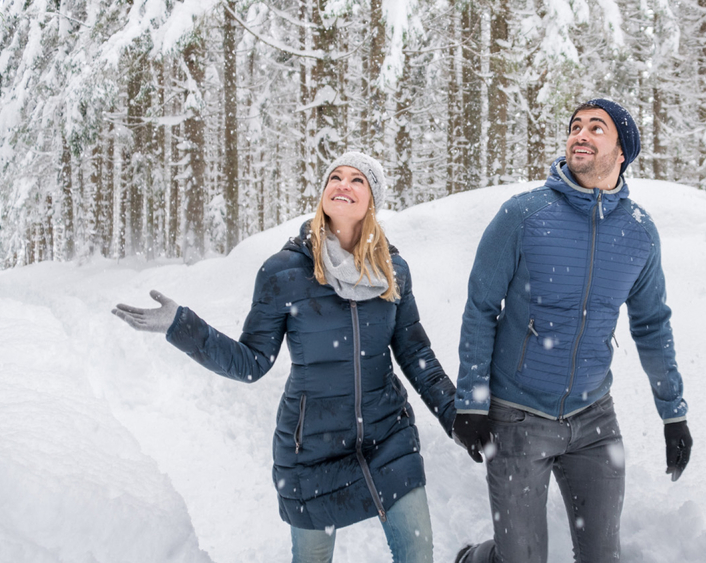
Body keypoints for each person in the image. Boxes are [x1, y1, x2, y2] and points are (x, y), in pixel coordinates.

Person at [112, 152, 457, 563]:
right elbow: (250, 361)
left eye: (357, 180)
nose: (343, 184)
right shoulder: (285, 272)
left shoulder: (393, 271)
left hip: (388, 439)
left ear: (372, 201)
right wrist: (182, 326)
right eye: (336, 177)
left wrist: (457, 415)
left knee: (418, 553)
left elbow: (416, 354)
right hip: (311, 449)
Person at [451, 99, 693, 563]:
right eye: (575, 126)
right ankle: (476, 558)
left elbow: (651, 323)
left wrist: (673, 413)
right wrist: (471, 401)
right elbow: (480, 307)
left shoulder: (639, 233)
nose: (580, 133)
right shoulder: (523, 215)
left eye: (596, 128)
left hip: (594, 420)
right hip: (517, 415)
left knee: (604, 557)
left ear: (622, 151)